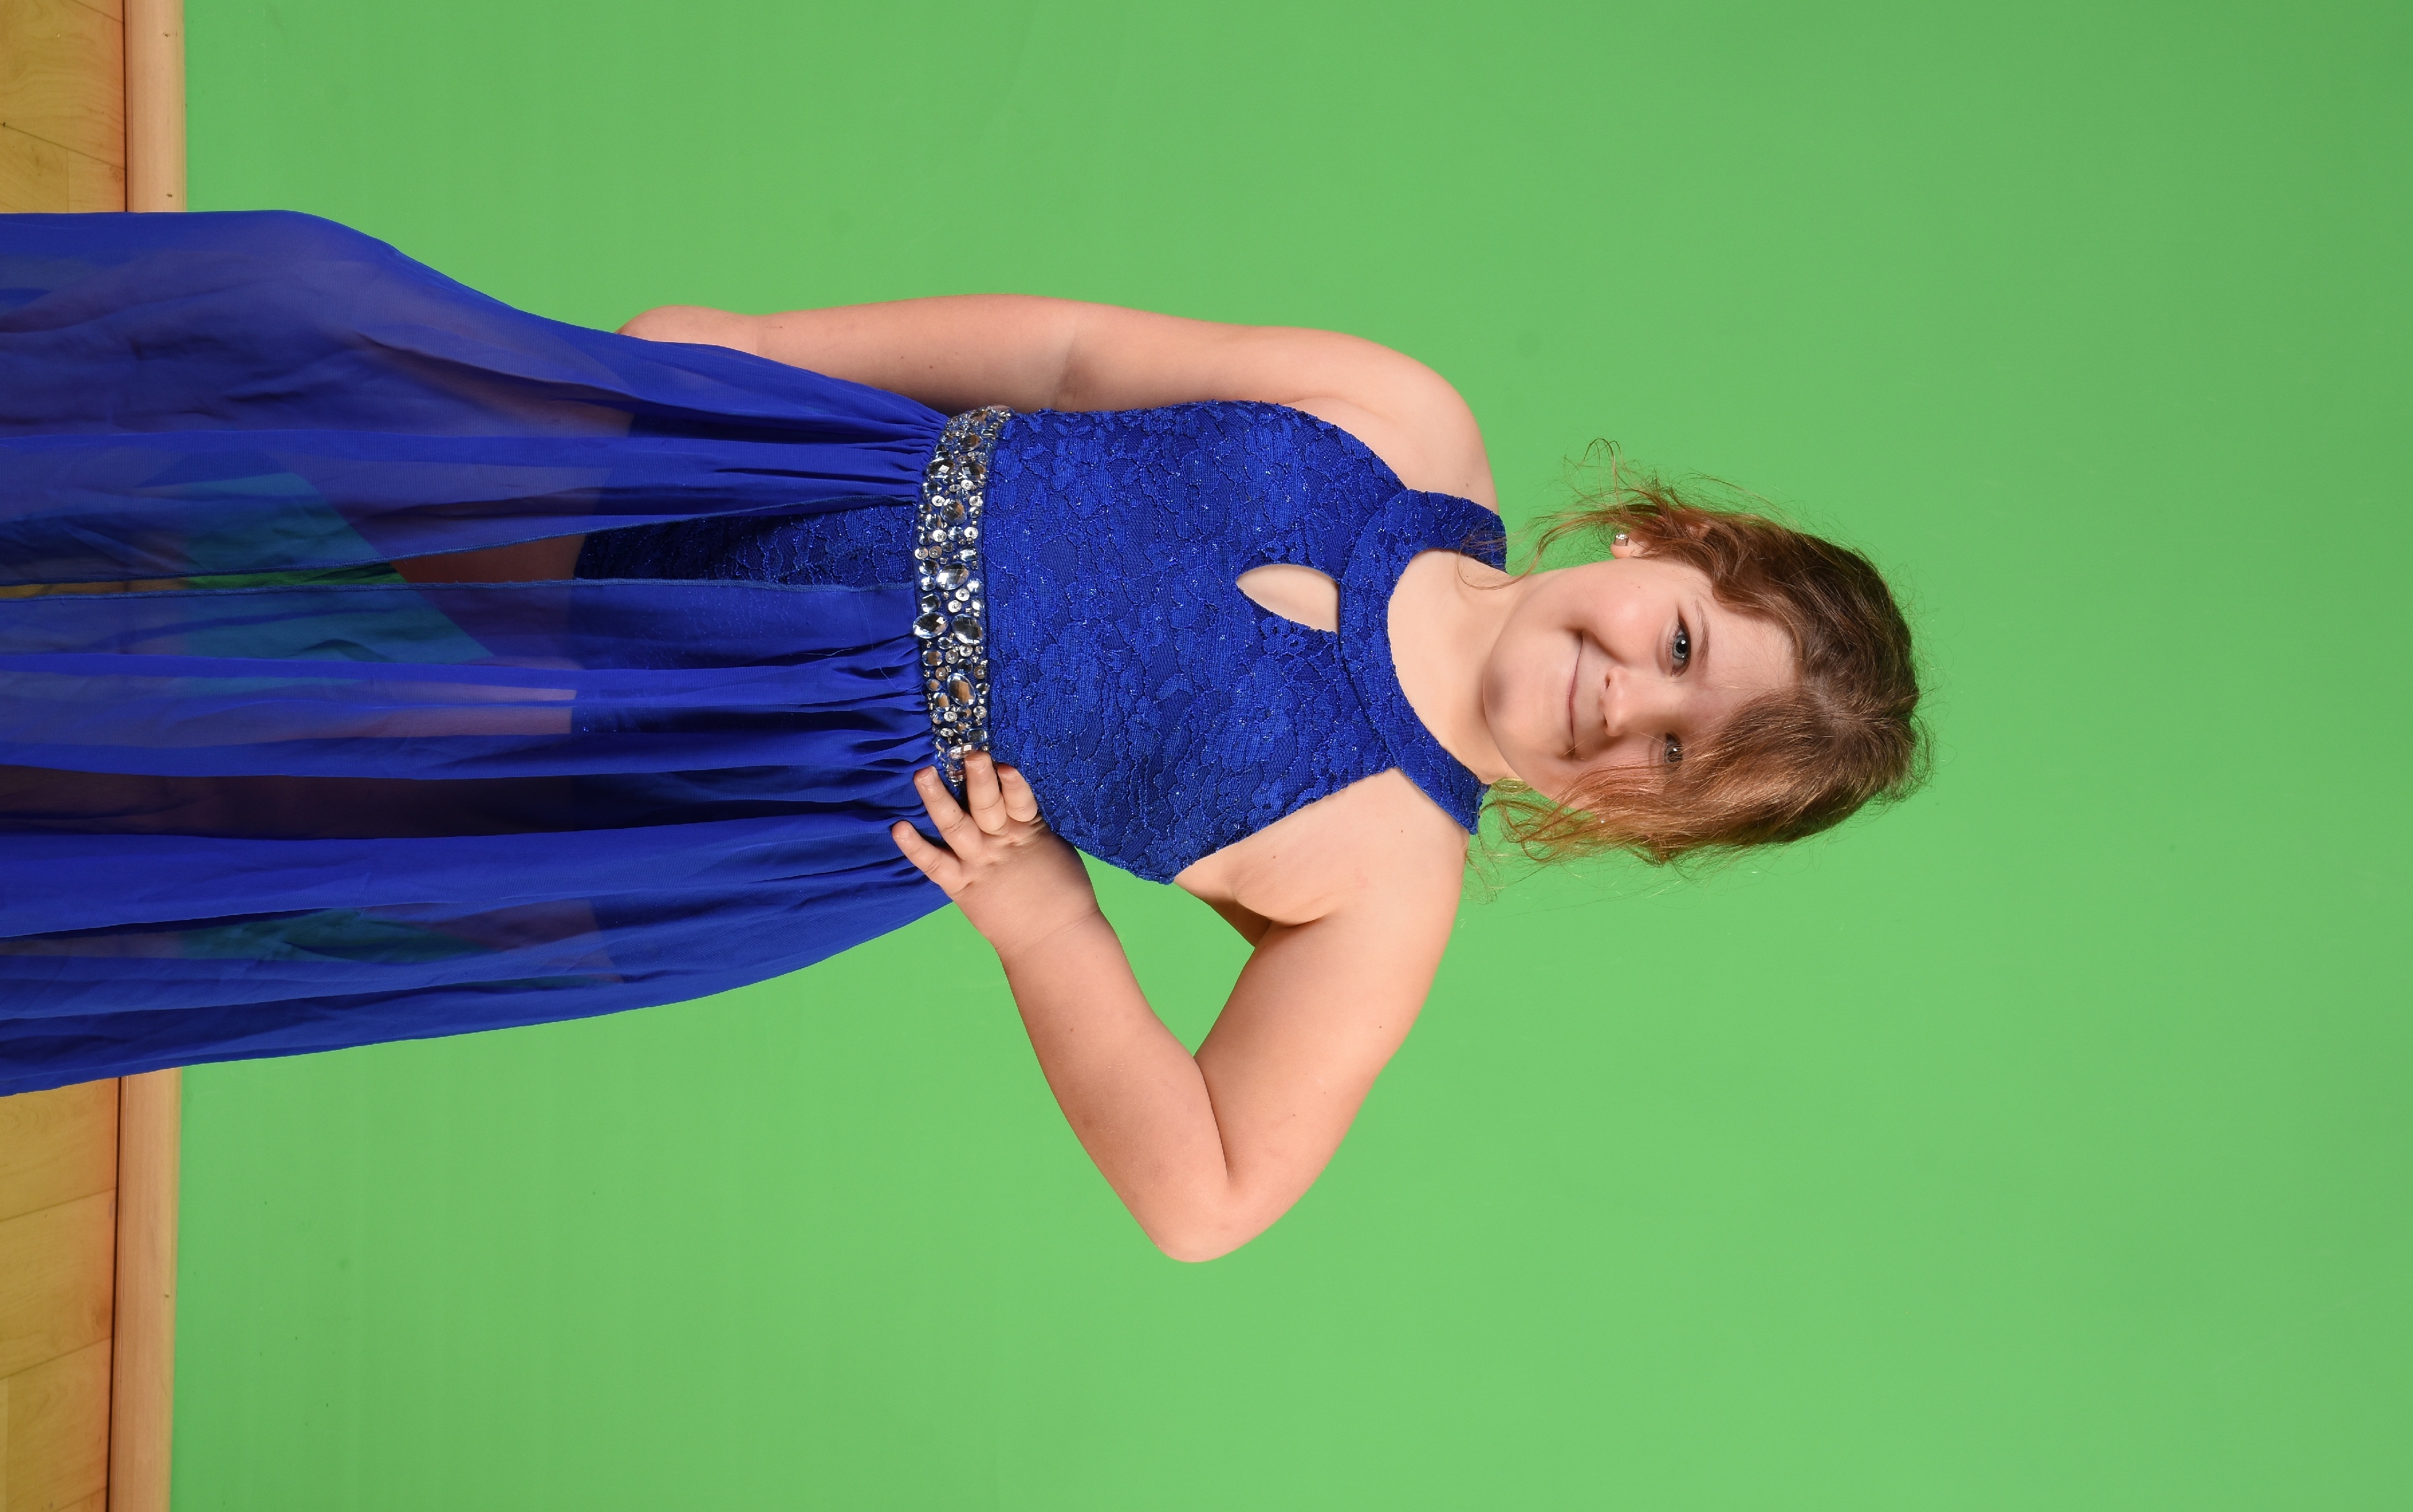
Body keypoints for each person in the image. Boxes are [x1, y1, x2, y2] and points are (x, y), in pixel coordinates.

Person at [0, 210, 1922, 1258]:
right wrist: (774, 346)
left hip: (744, 771)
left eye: (1680, 757)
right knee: (298, 321)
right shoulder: (1399, 426)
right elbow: (1068, 355)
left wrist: (1045, 925)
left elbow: (1209, 1193)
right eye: (1680, 647)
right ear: (1659, 543)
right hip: (771, 476)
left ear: (1647, 826)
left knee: (248, 769)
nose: (1630, 702)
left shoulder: (1384, 879)